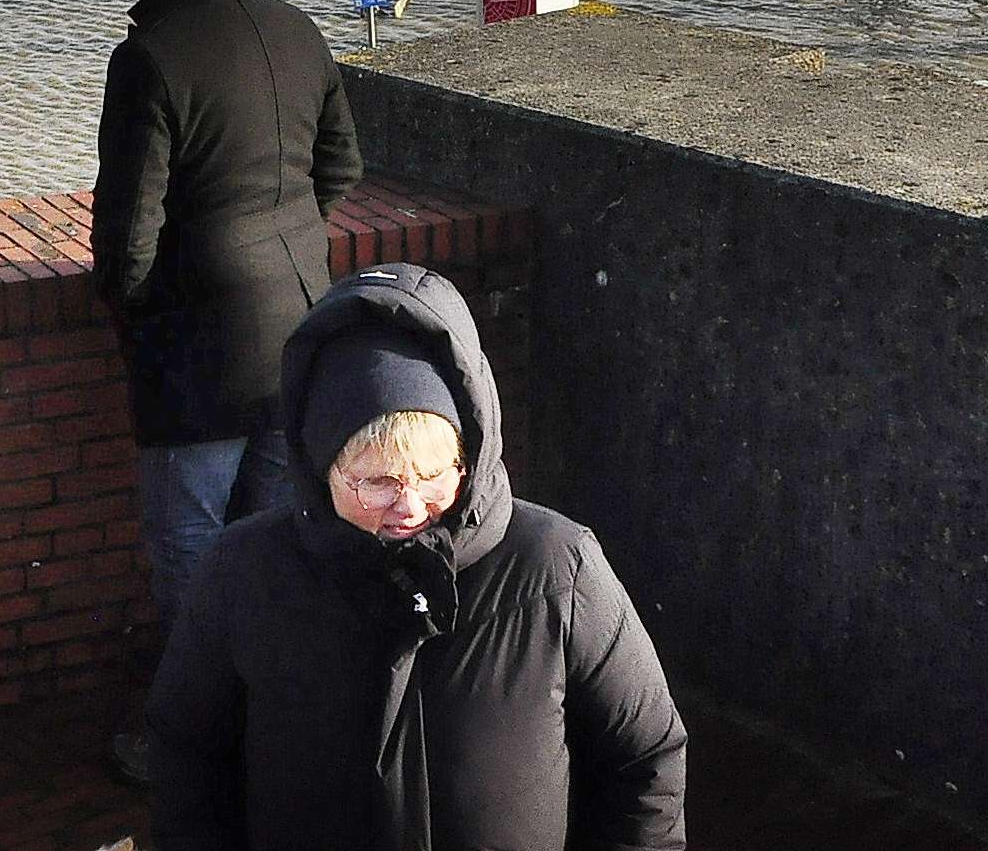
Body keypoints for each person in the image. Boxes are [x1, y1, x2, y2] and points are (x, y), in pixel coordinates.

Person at [147, 264, 688, 851]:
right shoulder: (242, 574)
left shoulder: (557, 569)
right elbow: (189, 758)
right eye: (377, 481)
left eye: (434, 476)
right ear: (321, 468)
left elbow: (644, 760)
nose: (410, 506)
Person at [93, 0, 363, 785]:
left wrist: (135, 311)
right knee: (277, 548)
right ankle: (274, 730)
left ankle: (191, 740)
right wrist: (285, 239)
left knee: (193, 556)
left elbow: (127, 232)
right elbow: (343, 167)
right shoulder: (297, 28)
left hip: (195, 352)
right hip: (298, 330)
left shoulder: (150, 58)